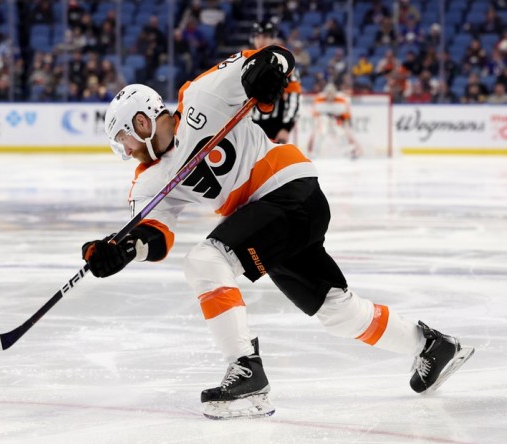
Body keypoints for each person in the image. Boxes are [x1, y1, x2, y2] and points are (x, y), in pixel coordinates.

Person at [82, 45, 474, 419]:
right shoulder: (149, 180)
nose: (126, 149)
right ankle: (432, 346)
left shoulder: (201, 96)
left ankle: (245, 370)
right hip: (272, 220)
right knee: (338, 311)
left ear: (142, 120)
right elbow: (154, 235)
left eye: (124, 138)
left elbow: (273, 58)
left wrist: (267, 74)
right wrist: (121, 251)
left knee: (205, 261)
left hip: (288, 190)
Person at [248, 21, 301, 144]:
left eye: (265, 36)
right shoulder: (246, 62)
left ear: (273, 38)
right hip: (249, 125)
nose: (261, 40)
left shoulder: (285, 65)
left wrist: (286, 127)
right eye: (258, 36)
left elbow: (294, 99)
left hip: (274, 128)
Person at [307, 83, 363, 158]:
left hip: (337, 119)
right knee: (321, 132)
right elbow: (315, 114)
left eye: (331, 93)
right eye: (328, 94)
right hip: (323, 119)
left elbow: (346, 115)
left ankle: (350, 152)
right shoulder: (319, 98)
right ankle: (313, 152)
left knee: (342, 133)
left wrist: (344, 124)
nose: (330, 96)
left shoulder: (342, 99)